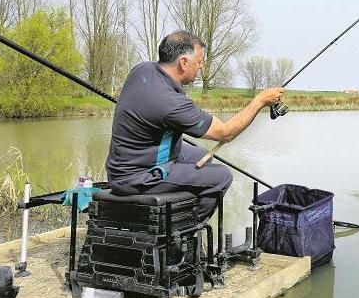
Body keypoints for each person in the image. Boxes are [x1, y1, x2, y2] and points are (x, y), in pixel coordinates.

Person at [105, 30, 284, 222]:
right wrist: (259, 101)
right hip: (136, 177)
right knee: (221, 177)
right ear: (183, 62)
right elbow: (225, 133)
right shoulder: (169, 102)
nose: (201, 67)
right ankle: (186, 230)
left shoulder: (143, 69)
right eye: (199, 62)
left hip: (122, 165)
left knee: (201, 155)